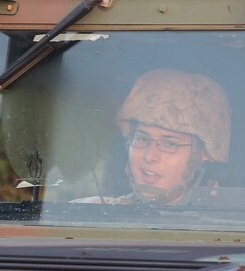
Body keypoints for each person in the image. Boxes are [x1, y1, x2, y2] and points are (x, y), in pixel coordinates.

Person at [82, 69, 231, 206]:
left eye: (170, 144)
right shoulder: (87, 214)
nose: (150, 156)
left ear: (204, 153)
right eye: (142, 139)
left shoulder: (234, 222)